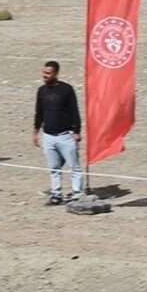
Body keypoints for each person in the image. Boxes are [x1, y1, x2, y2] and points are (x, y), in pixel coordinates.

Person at [31, 61, 83, 205]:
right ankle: (56, 194)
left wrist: (77, 130)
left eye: (48, 73)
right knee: (54, 167)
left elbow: (74, 110)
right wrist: (36, 132)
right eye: (44, 73)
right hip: (48, 136)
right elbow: (39, 112)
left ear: (56, 74)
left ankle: (77, 193)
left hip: (66, 135)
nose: (45, 76)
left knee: (74, 167)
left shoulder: (67, 89)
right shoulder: (41, 91)